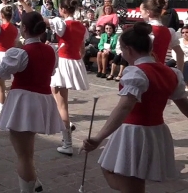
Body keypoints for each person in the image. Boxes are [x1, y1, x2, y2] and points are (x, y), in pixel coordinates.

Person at [81, 22, 188, 193]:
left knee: (127, 179)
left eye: (122, 50)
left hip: (134, 133)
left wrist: (98, 137)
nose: (122, 54)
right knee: (120, 172)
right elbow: (185, 106)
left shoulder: (136, 72)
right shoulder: (171, 72)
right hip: (156, 132)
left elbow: (124, 108)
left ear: (129, 49)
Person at [0, 12, 63, 192]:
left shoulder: (20, 53)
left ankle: (28, 187)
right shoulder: (51, 50)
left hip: (24, 100)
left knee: (23, 155)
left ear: (24, 29)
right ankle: (34, 180)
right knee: (28, 150)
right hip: (43, 99)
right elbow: (49, 72)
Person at [18, 0, 88, 156]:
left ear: (63, 10)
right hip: (73, 61)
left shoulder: (61, 23)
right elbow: (81, 49)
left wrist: (23, 4)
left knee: (61, 104)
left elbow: (37, 18)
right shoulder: (81, 26)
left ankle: (67, 141)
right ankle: (64, 129)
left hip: (63, 62)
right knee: (60, 101)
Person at [140, 0, 184, 71]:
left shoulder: (144, 30)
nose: (140, 14)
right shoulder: (170, 31)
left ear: (148, 12)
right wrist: (180, 73)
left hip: (143, 71)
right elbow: (180, 54)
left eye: (141, 11)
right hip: (160, 72)